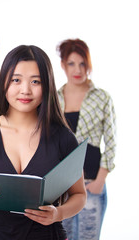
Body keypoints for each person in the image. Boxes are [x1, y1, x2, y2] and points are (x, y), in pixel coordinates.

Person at [0, 45, 87, 239]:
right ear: (4, 83)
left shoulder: (64, 138)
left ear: (47, 85)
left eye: (35, 81)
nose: (25, 90)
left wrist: (58, 214)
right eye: (16, 80)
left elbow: (79, 195)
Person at [57, 39, 116, 240]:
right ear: (63, 65)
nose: (78, 69)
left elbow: (111, 142)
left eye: (83, 63)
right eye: (72, 63)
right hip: (63, 187)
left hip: (91, 182)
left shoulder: (102, 97)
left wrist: (100, 180)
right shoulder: (55, 98)